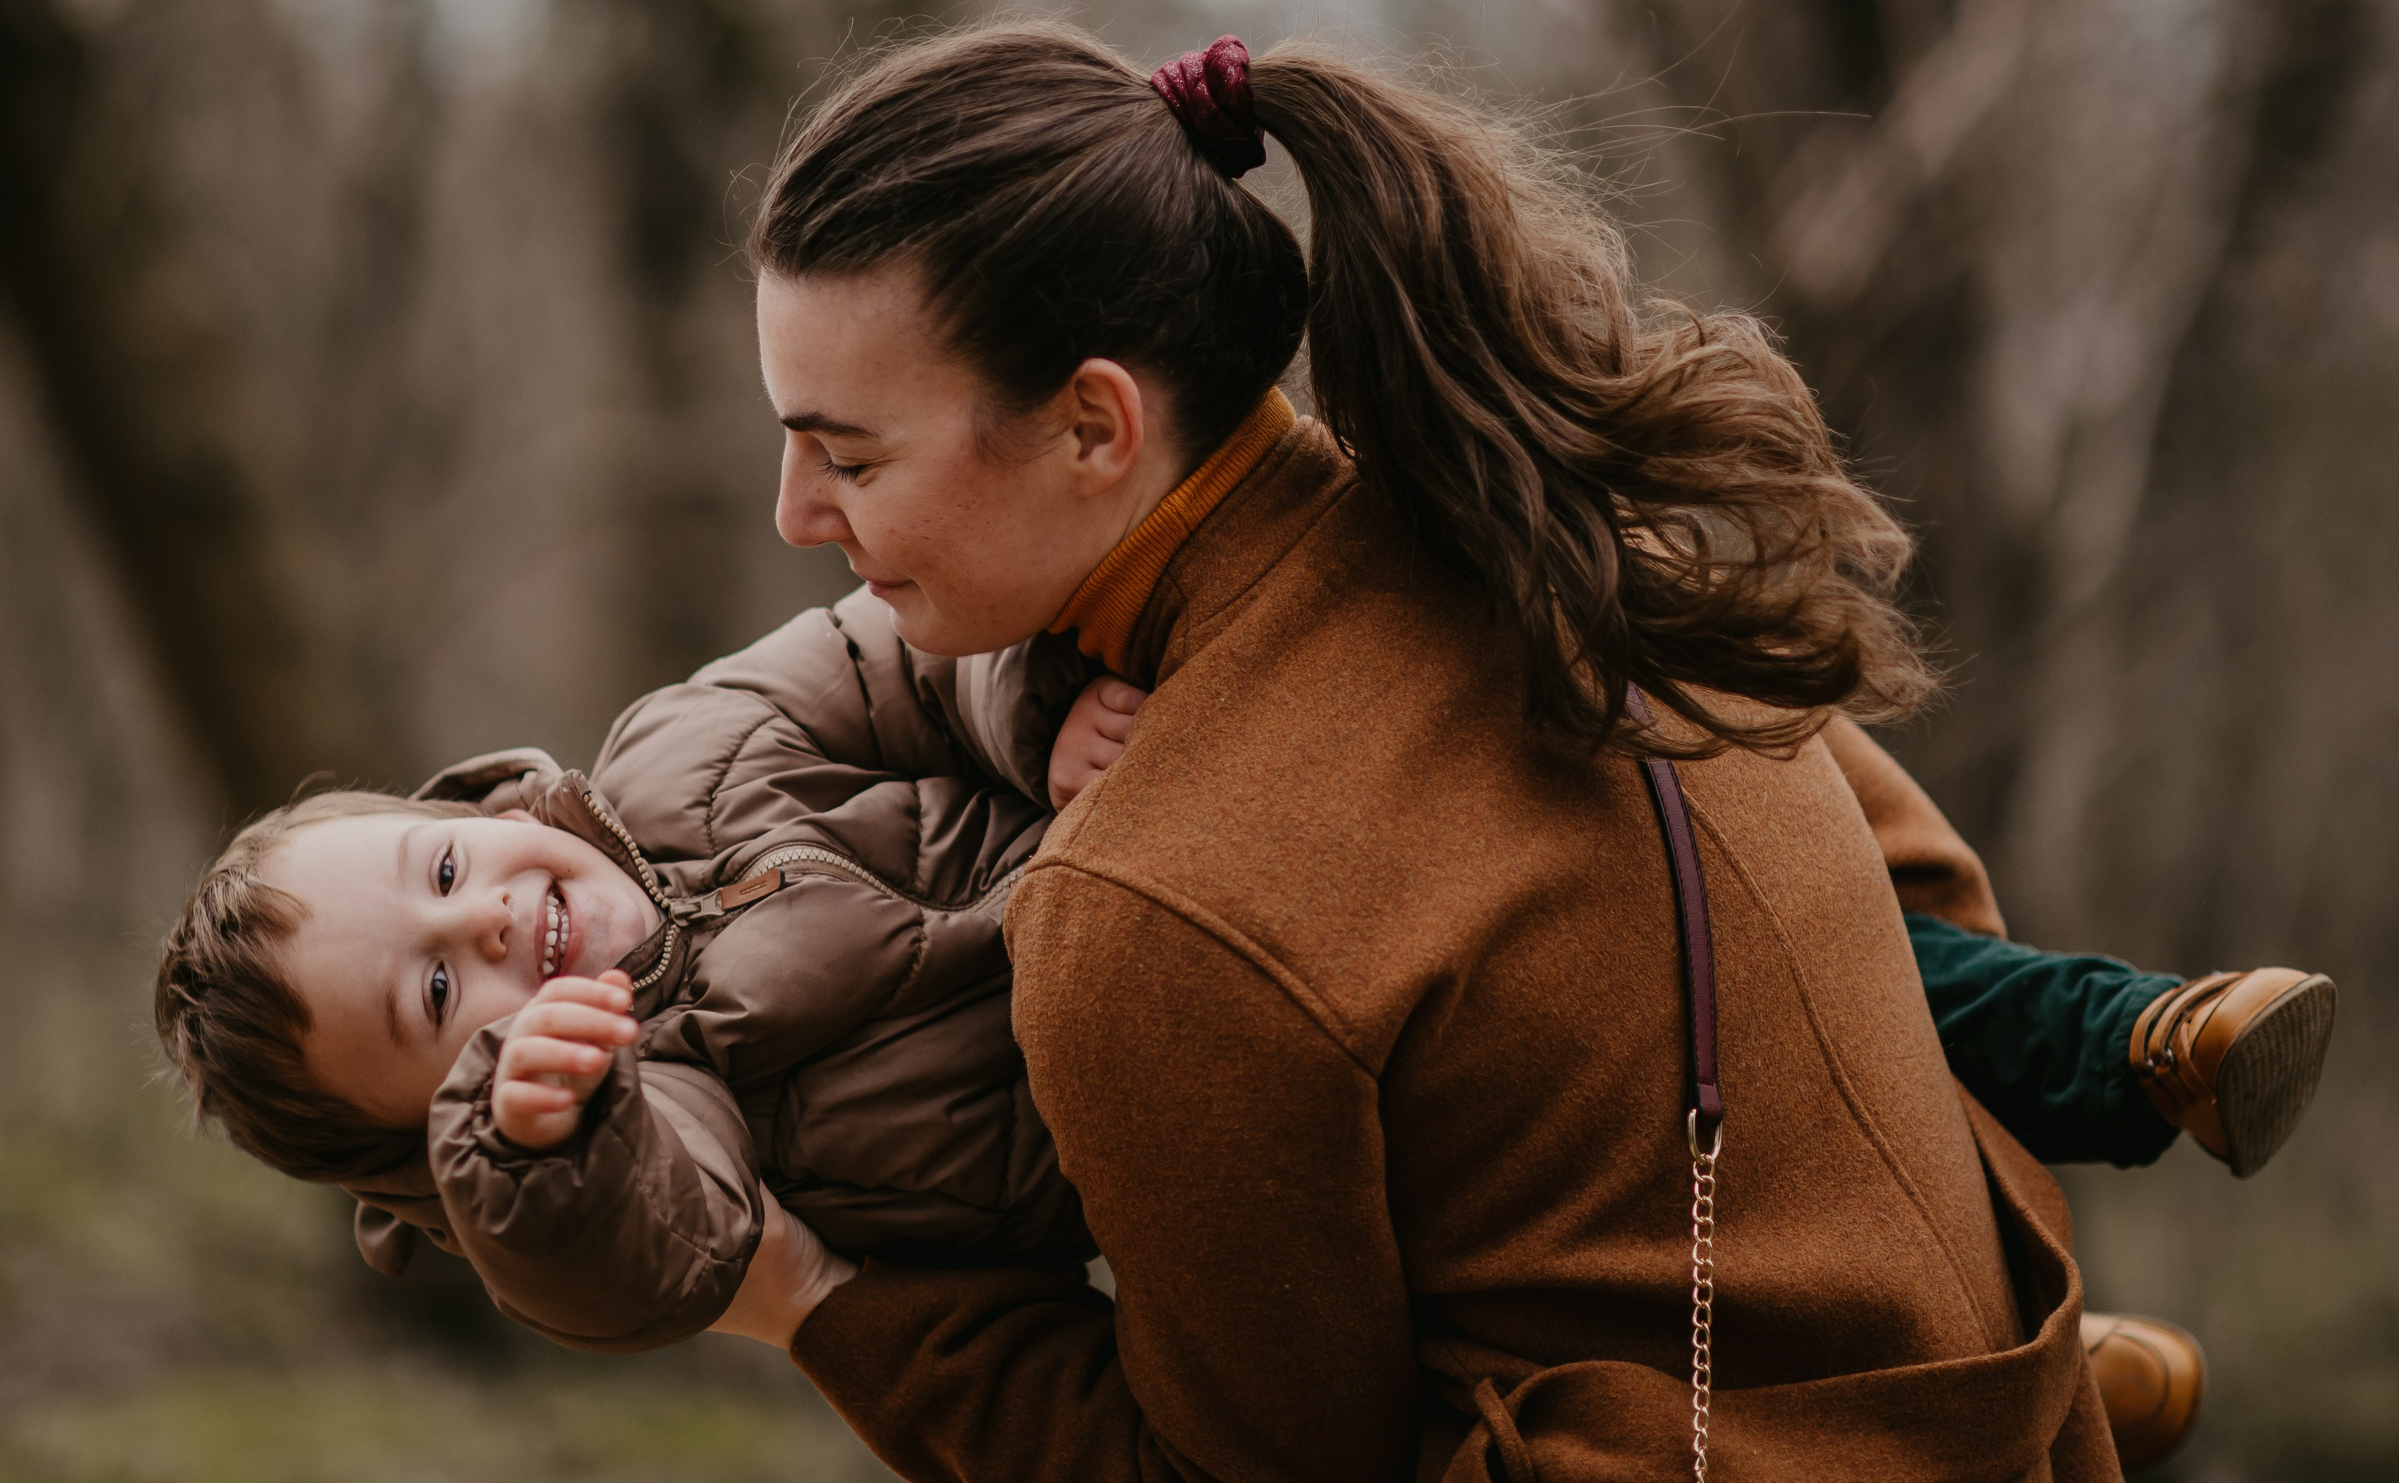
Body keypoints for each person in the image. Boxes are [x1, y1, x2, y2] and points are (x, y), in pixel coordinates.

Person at [704, 21, 2328, 1481]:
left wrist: (823, 1309)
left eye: (846, 453)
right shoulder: (1568, 540)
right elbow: (1921, 915)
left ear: (1094, 427)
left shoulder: (1156, 906)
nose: (797, 516)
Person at [149, 585, 2321, 1368]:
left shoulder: (680, 750)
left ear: (478, 792)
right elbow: (654, 1262)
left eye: (443, 868)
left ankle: (2125, 1038)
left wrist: (1033, 723)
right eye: (433, 1002)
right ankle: (2041, 1393)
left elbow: (904, 649)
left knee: (1717, 964)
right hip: (1260, 1146)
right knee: (1575, 1281)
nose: (487, 927)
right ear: (429, 1135)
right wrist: (540, 1137)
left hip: (1261, 872)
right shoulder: (672, 1119)